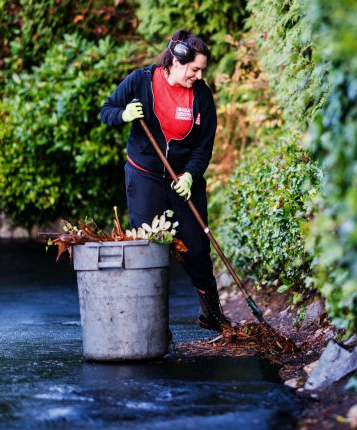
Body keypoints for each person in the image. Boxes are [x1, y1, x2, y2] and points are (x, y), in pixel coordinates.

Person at [99, 29, 231, 331]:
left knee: (196, 248)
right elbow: (106, 111)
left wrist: (189, 175)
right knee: (147, 247)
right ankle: (148, 322)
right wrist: (124, 115)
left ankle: (211, 313)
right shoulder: (140, 81)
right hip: (145, 177)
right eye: (194, 68)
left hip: (183, 180)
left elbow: (204, 146)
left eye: (202, 70)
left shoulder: (202, 96)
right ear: (176, 59)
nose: (198, 75)